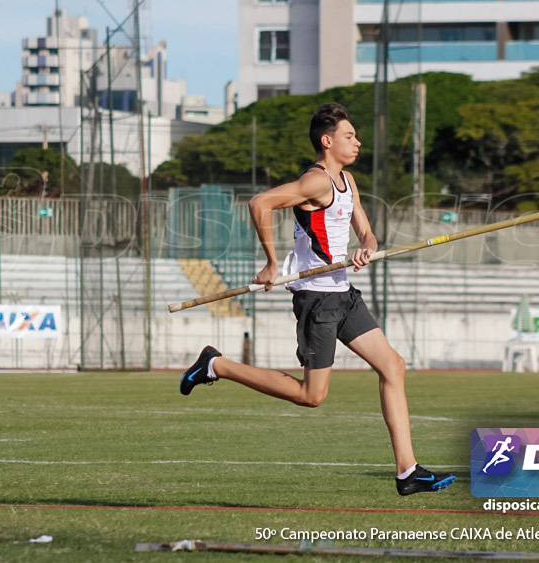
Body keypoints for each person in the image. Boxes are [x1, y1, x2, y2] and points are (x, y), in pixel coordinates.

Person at [180, 102, 455, 496]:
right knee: (312, 396)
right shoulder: (317, 182)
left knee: (393, 366)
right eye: (349, 136)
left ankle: (407, 471)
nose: (357, 142)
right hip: (317, 299)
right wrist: (273, 263)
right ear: (327, 141)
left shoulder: (348, 181)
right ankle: (217, 365)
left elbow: (366, 231)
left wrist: (367, 247)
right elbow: (260, 203)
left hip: (343, 293)